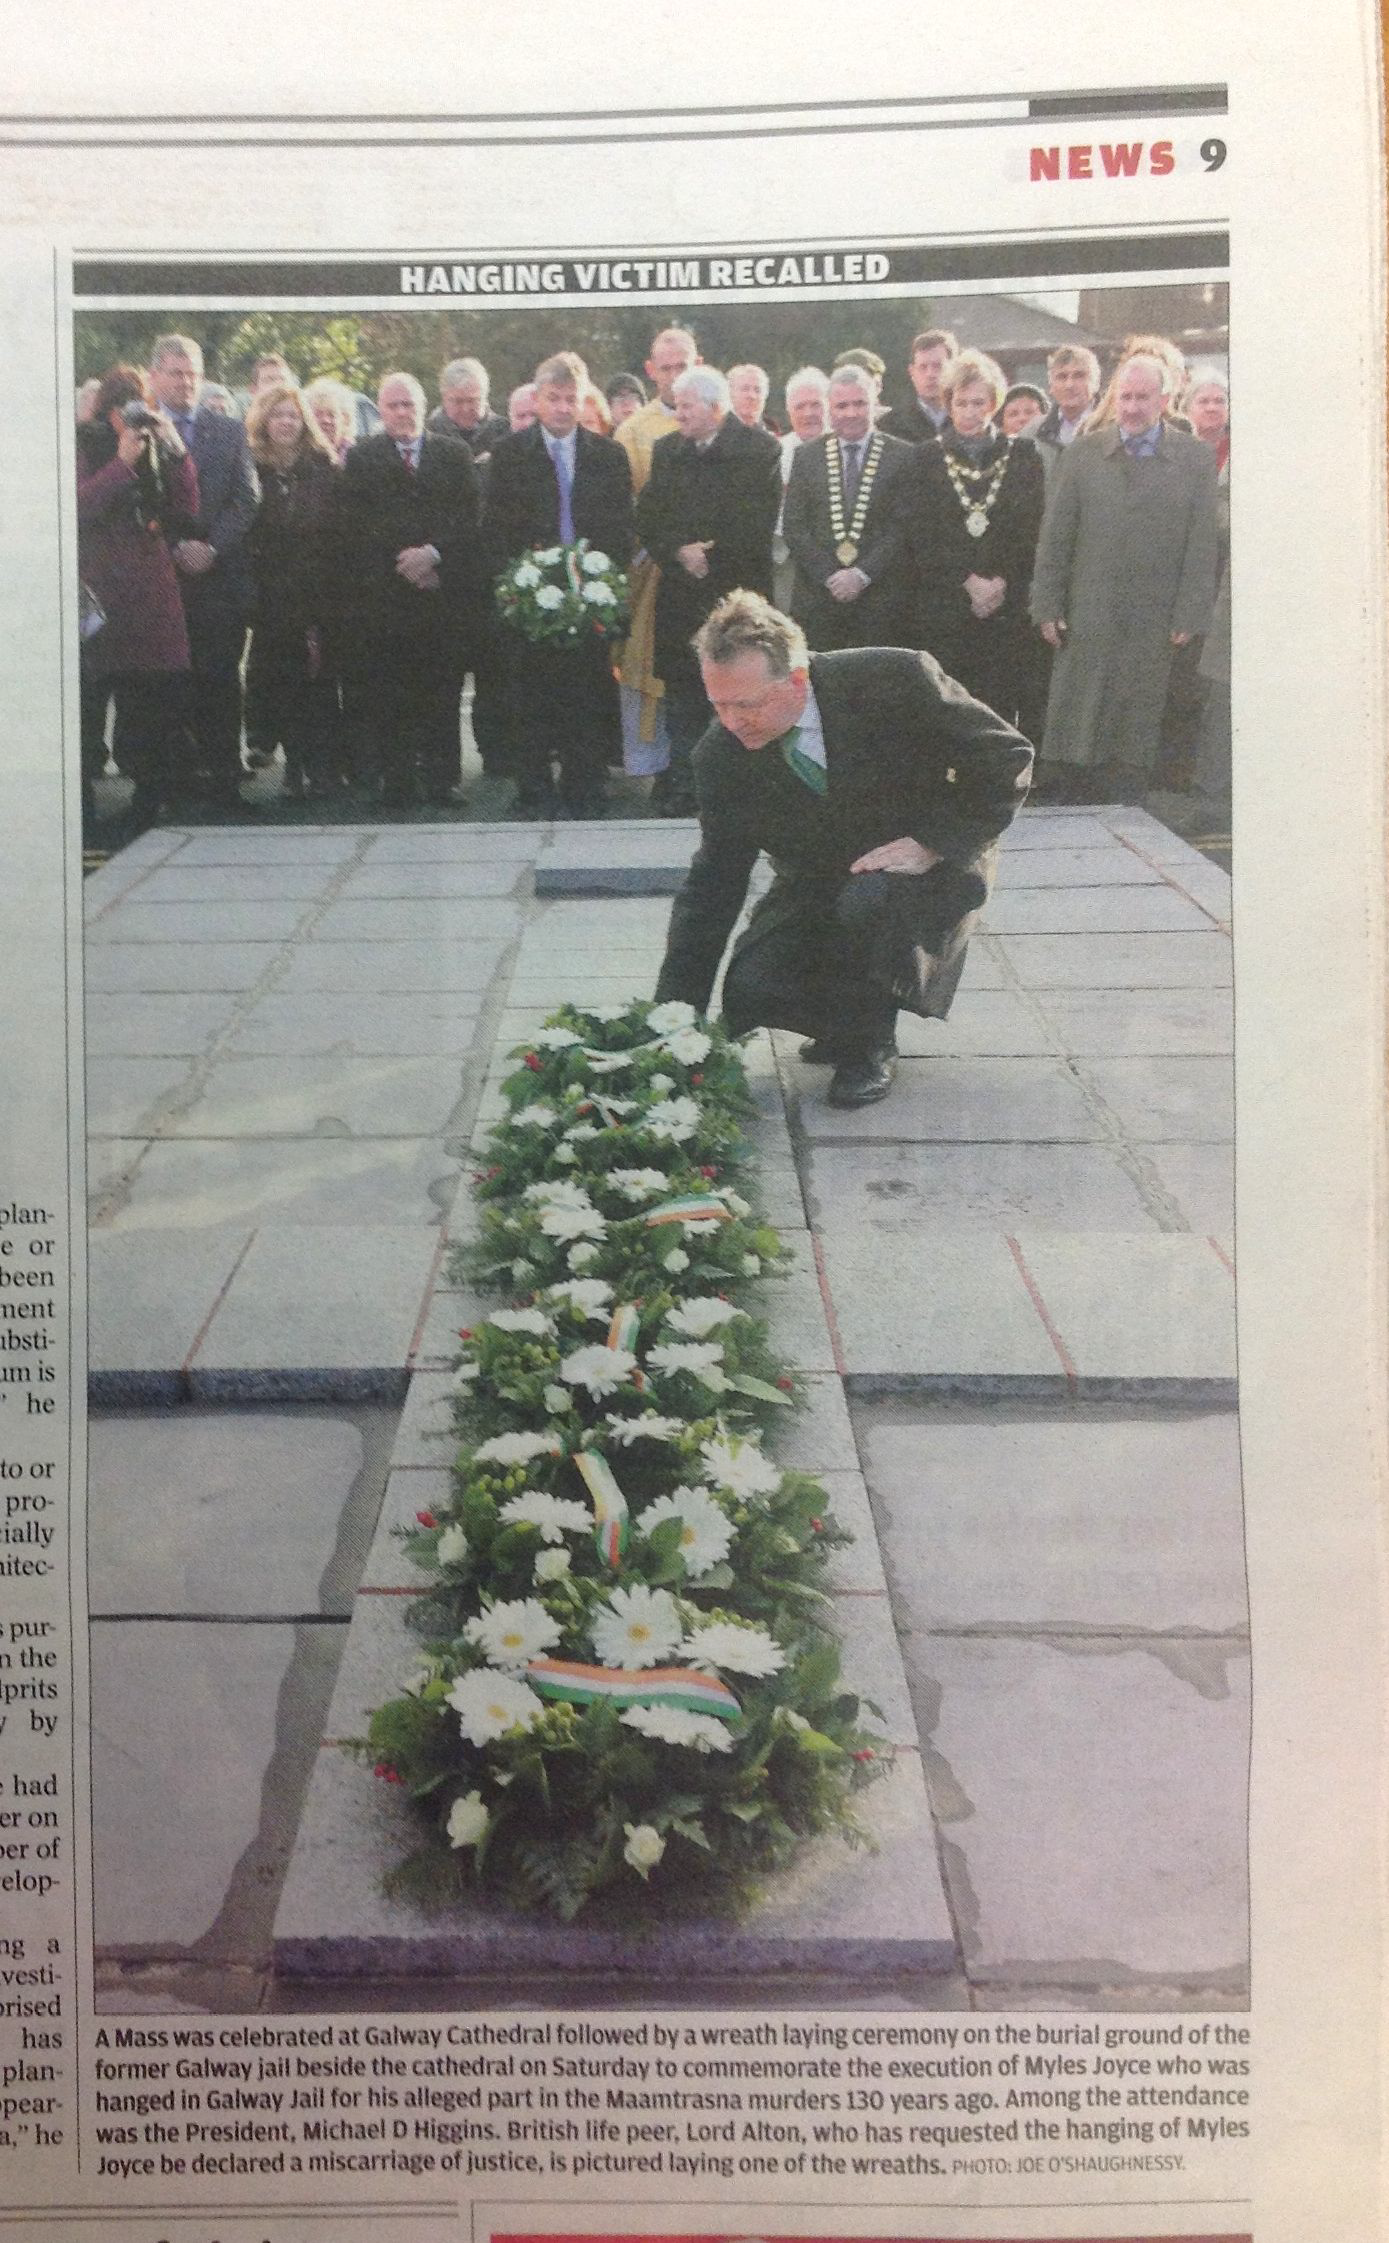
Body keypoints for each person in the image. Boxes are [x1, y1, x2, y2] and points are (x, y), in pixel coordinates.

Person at [653, 590, 1031, 1108]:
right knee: (752, 989)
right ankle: (842, 1018)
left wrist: (934, 844)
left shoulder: (894, 678)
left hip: (924, 868)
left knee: (870, 903)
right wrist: (673, 1023)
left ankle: (870, 1043)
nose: (733, 720)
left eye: (747, 703)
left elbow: (1007, 756)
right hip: (820, 879)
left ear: (798, 679)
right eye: (717, 703)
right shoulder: (721, 756)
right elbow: (712, 886)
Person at [1029, 352, 1219, 800]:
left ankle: (1128, 801)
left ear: (1165, 398)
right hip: (1088, 610)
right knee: (1079, 716)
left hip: (1155, 617)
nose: (1132, 408)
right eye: (1125, 397)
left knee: (1137, 720)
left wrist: (1191, 612)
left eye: (1143, 397)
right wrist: (1047, 605)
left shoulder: (1194, 459)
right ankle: (1072, 799)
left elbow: (1202, 545)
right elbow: (1055, 538)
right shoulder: (1082, 454)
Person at [483, 353, 635, 818]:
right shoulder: (510, 454)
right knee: (530, 694)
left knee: (587, 692)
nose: (564, 409)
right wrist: (519, 584)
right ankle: (533, 788)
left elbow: (620, 527)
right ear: (538, 398)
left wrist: (600, 580)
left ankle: (585, 784)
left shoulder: (608, 455)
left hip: (590, 591)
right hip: (531, 591)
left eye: (572, 399)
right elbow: (496, 528)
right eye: (554, 399)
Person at [636, 364, 781, 812]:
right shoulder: (667, 451)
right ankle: (684, 783)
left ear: (716, 408)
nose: (677, 414)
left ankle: (739, 789)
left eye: (686, 406)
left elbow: (757, 523)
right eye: (676, 405)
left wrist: (709, 556)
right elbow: (648, 517)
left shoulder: (760, 449)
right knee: (683, 696)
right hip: (681, 593)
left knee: (743, 692)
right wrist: (679, 551)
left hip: (736, 594)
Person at [337, 370, 485, 807]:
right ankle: (396, 781)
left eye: (410, 405)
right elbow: (356, 527)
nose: (402, 413)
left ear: (424, 409)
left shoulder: (454, 454)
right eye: (393, 406)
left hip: (440, 593)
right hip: (386, 597)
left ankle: (442, 780)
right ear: (380, 411)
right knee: (390, 693)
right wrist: (403, 563)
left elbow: (470, 518)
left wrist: (435, 556)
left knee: (441, 690)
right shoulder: (363, 458)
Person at [77, 364, 200, 832]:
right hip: (100, 590)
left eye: (138, 409)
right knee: (89, 702)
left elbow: (187, 511)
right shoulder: (86, 444)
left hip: (150, 589)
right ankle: (82, 806)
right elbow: (80, 506)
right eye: (121, 411)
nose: (129, 421)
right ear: (106, 413)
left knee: (152, 702)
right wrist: (121, 463)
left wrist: (176, 451)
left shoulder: (153, 444)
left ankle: (150, 802)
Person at [907, 347, 1046, 733]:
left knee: (1000, 707)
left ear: (994, 403)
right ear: (948, 403)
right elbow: (922, 533)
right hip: (947, 604)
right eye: (961, 402)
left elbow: (1031, 527)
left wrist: (1002, 582)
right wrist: (967, 581)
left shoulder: (1023, 454)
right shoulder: (924, 458)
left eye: (979, 402)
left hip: (1006, 605)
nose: (970, 411)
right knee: (948, 707)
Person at [147, 332, 260, 810]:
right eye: (176, 373)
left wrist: (211, 547)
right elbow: (138, 501)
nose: (186, 383)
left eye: (193, 374)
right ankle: (171, 784)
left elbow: (247, 498)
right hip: (162, 578)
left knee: (220, 680)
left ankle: (224, 781)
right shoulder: (140, 431)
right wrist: (174, 546)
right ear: (154, 376)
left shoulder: (229, 430)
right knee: (168, 685)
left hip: (218, 577)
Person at [242, 382, 344, 800]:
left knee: (317, 683)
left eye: (293, 415)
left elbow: (339, 531)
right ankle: (286, 764)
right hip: (269, 594)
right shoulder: (250, 466)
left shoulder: (324, 467)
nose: (286, 422)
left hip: (315, 591)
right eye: (278, 414)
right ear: (264, 420)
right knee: (277, 679)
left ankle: (317, 767)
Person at [614, 326, 701, 780]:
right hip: (651, 573)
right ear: (651, 372)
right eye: (665, 368)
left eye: (682, 366)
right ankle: (657, 763)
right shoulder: (633, 430)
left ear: (697, 364)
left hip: (704, 570)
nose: (673, 376)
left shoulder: (714, 419)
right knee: (647, 664)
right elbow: (623, 502)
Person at [782, 364, 916, 649]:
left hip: (880, 601)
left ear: (874, 404)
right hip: (819, 601)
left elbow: (902, 526)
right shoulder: (806, 457)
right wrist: (830, 575)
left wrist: (861, 574)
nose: (851, 413)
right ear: (830, 409)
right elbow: (795, 525)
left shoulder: (902, 456)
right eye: (842, 406)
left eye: (859, 403)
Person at [773, 366, 830, 609]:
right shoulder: (775, 453)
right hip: (786, 565)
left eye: (815, 405)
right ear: (788, 411)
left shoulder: (848, 449)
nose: (808, 413)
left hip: (835, 564)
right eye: (799, 406)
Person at [1033, 344, 1101, 483]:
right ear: (1051, 386)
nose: (1069, 385)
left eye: (1079, 376)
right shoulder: (1032, 434)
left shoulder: (1115, 427)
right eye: (1062, 377)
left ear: (1096, 383)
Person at [880, 327, 957, 443]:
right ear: (912, 372)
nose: (930, 374)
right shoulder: (889, 426)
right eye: (923, 367)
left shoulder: (972, 421)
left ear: (955, 368)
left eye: (938, 366)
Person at [427, 356, 508, 460]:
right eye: (458, 401)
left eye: (472, 401)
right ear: (444, 399)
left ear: (485, 397)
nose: (465, 409)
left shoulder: (504, 432)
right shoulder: (429, 435)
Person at [303, 376, 357, 464]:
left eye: (332, 415)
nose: (325, 420)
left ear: (345, 420)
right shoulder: (299, 458)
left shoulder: (356, 458)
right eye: (318, 414)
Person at [728, 363, 774, 431]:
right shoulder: (715, 435)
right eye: (745, 389)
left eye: (757, 390)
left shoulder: (772, 437)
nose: (752, 396)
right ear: (730, 393)